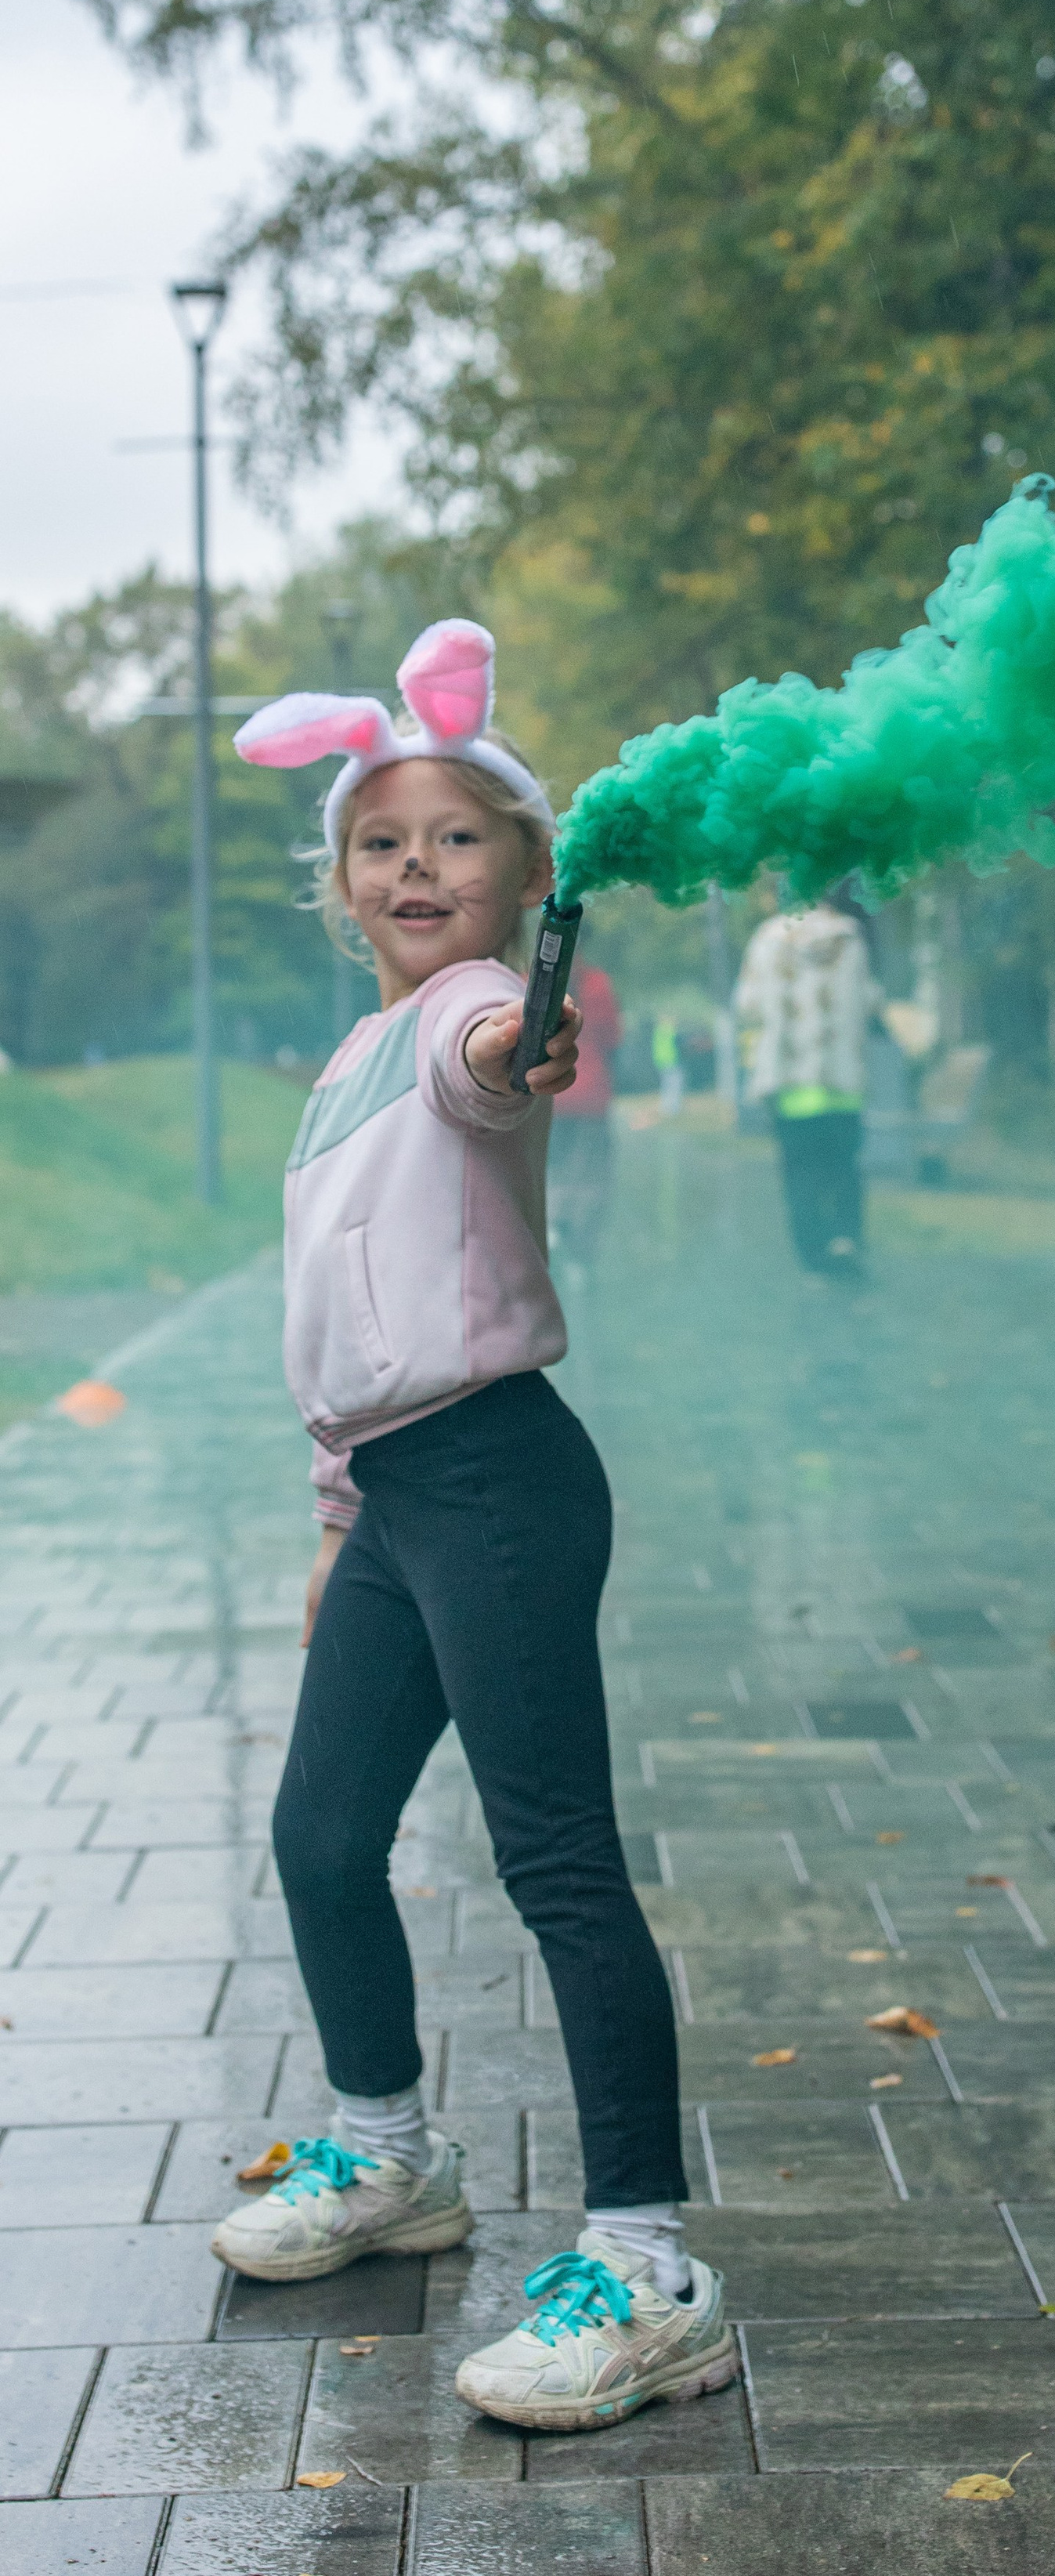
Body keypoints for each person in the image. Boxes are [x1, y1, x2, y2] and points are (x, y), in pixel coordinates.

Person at [217, 621, 732, 2434]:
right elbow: (341, 1328)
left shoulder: (457, 1019)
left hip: (502, 1478)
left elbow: (507, 1060)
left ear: (523, 868)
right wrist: (334, 1513)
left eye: (453, 835)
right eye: (380, 838)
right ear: (342, 878)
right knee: (322, 1829)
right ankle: (387, 2154)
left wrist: (536, 1031)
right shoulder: (345, 1063)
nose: (413, 865)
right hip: (399, 1495)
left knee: (556, 1862)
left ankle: (650, 2267)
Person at [733, 891, 874, 1277]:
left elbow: (747, 1005)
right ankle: (845, 1238)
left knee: (800, 1174)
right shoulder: (850, 936)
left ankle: (813, 1257)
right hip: (842, 1082)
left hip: (790, 1084)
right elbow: (868, 1000)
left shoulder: (769, 937)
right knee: (843, 1166)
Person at [547, 959, 623, 1274]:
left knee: (551, 1170)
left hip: (547, 1097)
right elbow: (611, 1037)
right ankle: (581, 1252)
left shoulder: (530, 980)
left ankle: (555, 1227)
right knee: (590, 1175)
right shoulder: (596, 983)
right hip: (589, 1093)